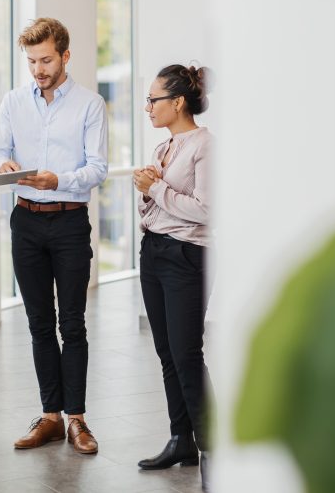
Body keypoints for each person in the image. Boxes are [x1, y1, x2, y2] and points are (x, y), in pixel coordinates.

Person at [0, 17, 108, 455]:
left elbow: (98, 168)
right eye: (32, 61)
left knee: (71, 323)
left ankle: (77, 418)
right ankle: (51, 416)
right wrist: (0, 165)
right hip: (26, 222)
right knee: (38, 324)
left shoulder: (90, 105)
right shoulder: (14, 102)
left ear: (65, 57)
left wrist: (57, 180)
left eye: (46, 60)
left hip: (70, 221)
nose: (38, 68)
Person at [133, 64, 214, 491]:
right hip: (155, 252)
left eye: (153, 99)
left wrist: (156, 190)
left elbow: (205, 210)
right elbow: (156, 209)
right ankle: (181, 439)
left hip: (187, 256)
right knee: (166, 352)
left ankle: (213, 448)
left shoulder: (205, 145)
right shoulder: (163, 148)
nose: (147, 107)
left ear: (178, 102)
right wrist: (146, 192)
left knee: (186, 354)